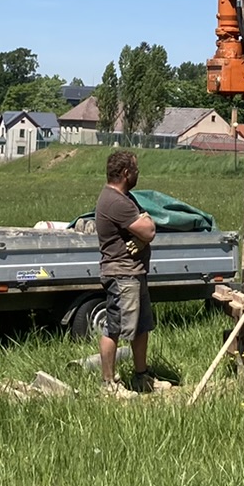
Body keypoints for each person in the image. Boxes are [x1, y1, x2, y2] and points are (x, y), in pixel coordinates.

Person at [94, 148, 157, 392]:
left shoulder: (127, 198)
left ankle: (142, 377)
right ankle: (109, 384)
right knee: (115, 327)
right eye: (136, 170)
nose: (138, 174)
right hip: (122, 274)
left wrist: (144, 227)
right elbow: (149, 231)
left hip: (134, 272)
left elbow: (146, 227)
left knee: (141, 327)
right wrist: (144, 228)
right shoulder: (115, 201)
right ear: (126, 172)